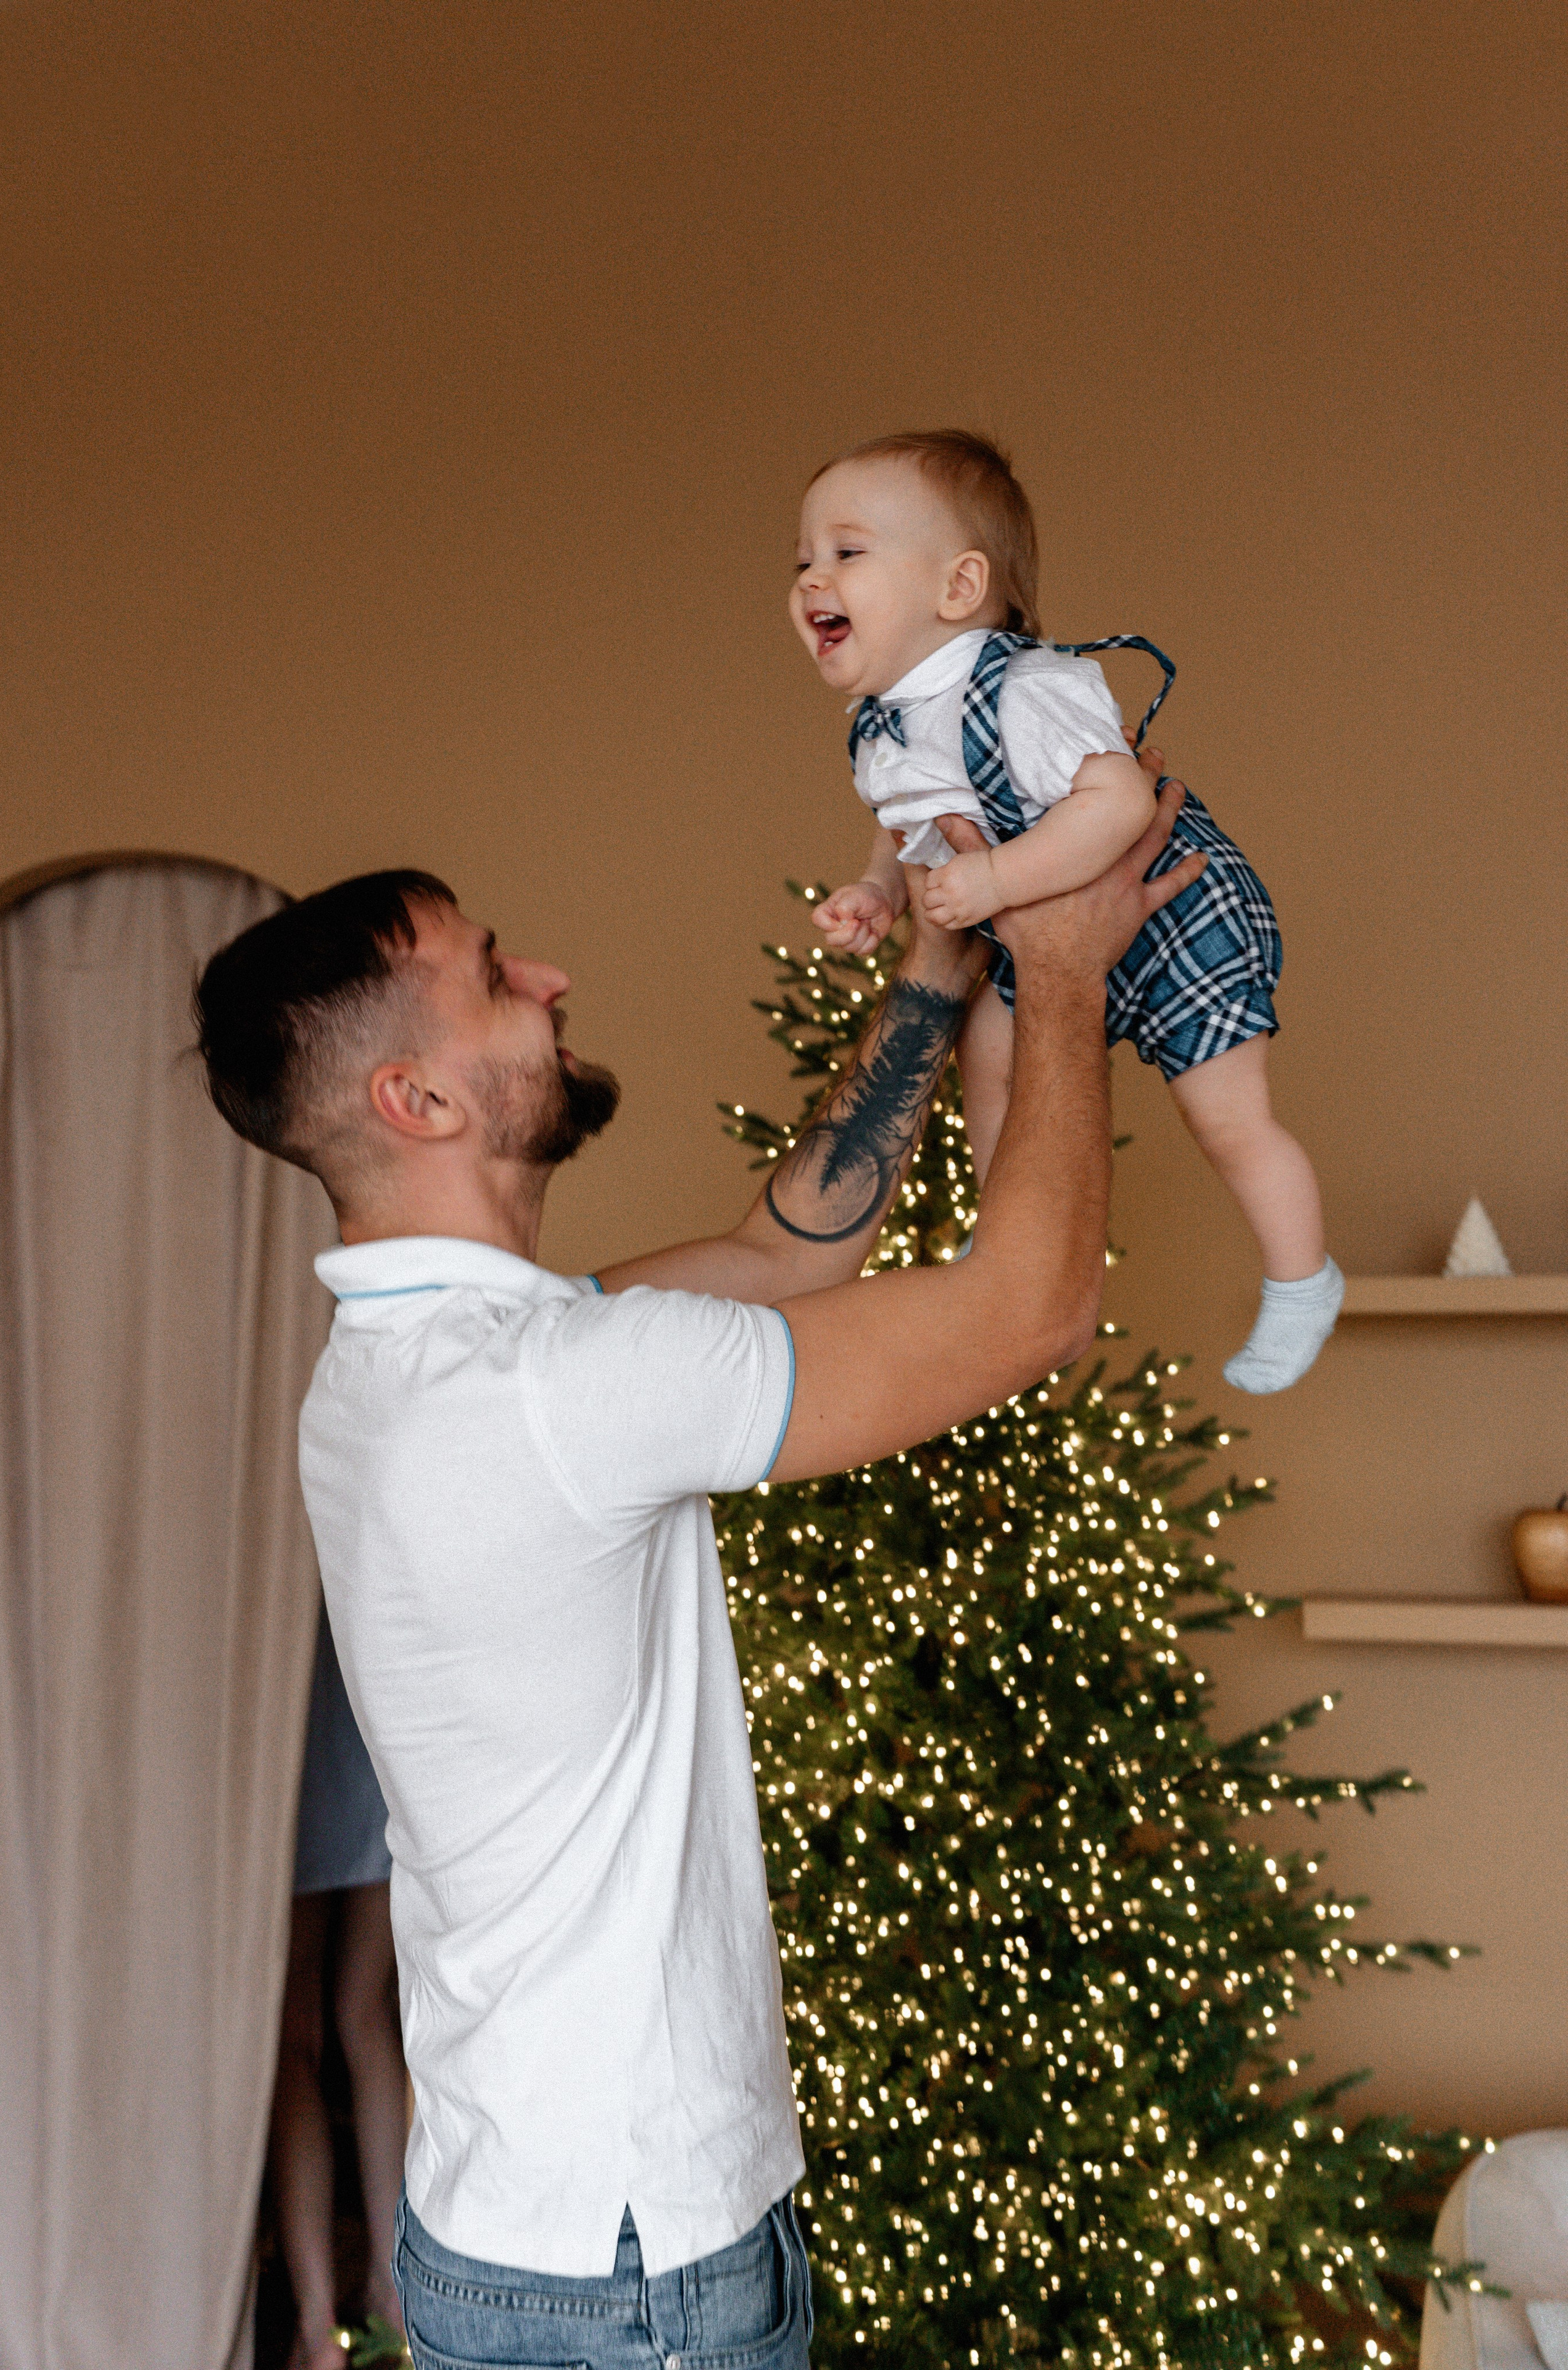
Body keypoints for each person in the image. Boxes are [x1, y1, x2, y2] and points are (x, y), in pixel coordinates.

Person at [192, 791, 1202, 2370]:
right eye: (492, 977)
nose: (547, 980)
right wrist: (1064, 968)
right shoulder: (554, 1386)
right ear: (418, 1096)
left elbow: (786, 1251)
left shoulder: (423, 1365)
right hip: (633, 2265)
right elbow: (1032, 1311)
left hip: (509, 2227)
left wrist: (935, 974)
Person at [800, 428, 1342, 1395]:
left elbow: (1121, 803)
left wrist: (996, 884)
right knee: (988, 1059)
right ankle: (1019, 1252)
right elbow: (905, 827)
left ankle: (1302, 1279)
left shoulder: (1024, 688)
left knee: (1228, 1120)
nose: (812, 578)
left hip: (1175, 917)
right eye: (801, 560)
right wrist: (877, 892)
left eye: (846, 552)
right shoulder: (885, 729)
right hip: (1041, 938)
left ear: (959, 587)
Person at [268, 1602, 409, 2370]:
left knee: (296, 2041)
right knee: (367, 2015)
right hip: (375, 1738)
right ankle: (393, 2292)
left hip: (291, 1747)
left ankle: (316, 2325)